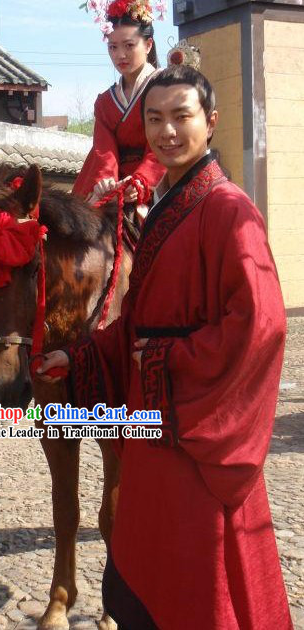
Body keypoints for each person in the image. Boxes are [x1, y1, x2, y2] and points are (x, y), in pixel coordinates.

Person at [37, 65, 293, 629]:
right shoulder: (165, 211)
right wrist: (82, 357)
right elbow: (139, 326)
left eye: (182, 117)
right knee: (146, 562)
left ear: (210, 121)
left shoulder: (228, 210)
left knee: (195, 571)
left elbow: (262, 326)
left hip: (192, 432)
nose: (166, 132)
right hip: (155, 427)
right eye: (155, 119)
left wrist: (164, 363)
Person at [73, 0, 166, 207]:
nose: (120, 55)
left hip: (156, 176)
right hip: (116, 183)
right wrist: (106, 183)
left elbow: (164, 142)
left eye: (129, 45)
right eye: (113, 47)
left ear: (148, 44)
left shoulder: (164, 88)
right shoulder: (106, 102)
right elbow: (104, 150)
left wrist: (142, 180)